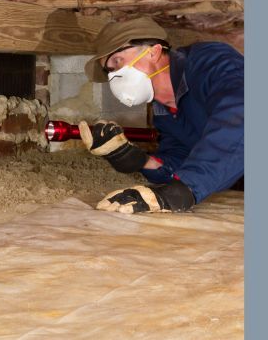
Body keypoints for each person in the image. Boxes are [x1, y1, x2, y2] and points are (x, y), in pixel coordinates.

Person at [78, 16, 244, 214]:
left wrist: (184, 190)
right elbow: (181, 162)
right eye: (110, 70)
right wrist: (138, 160)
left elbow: (242, 118)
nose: (114, 76)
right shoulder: (163, 113)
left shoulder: (210, 62)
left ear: (154, 52)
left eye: (117, 61)